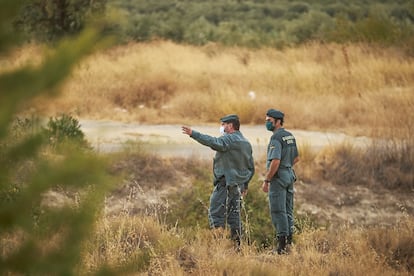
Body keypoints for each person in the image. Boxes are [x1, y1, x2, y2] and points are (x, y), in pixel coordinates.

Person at [182, 114, 255, 248]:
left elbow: (213, 142)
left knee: (216, 214)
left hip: (225, 184)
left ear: (230, 126)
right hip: (238, 187)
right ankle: (237, 247)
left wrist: (194, 134)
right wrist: (245, 185)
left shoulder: (228, 140)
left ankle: (218, 246)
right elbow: (250, 167)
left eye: (223, 124)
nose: (221, 127)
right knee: (234, 217)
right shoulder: (246, 143)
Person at [262, 108, 299, 254]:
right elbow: (296, 158)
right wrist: (287, 166)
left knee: (278, 211)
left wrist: (267, 179)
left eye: (269, 121)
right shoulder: (289, 136)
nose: (267, 124)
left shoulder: (276, 138)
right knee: (288, 210)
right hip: (289, 175)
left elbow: (275, 161)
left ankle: (281, 247)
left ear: (277, 122)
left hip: (278, 177)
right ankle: (289, 242)